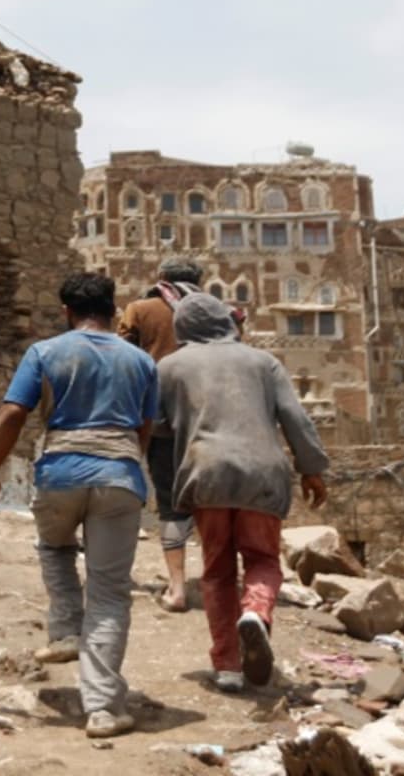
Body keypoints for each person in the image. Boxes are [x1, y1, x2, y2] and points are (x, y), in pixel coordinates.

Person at [0, 272, 160, 739]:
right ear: (114, 311)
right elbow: (145, 426)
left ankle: (65, 631)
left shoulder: (45, 351)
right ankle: (102, 709)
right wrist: (125, 461)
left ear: (66, 312)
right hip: (120, 475)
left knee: (54, 547)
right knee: (110, 592)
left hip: (59, 471)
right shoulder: (141, 361)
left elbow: (13, 412)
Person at [158, 292, 328, 693]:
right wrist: (312, 469)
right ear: (227, 321)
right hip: (262, 473)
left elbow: (156, 425)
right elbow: (294, 418)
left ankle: (228, 666)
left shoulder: (168, 367)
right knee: (263, 559)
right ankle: (255, 613)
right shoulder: (262, 362)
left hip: (206, 473)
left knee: (216, 571)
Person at [117, 258, 203, 613]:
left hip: (160, 419)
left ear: (162, 279)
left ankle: (178, 588)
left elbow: (124, 358)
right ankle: (219, 582)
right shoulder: (213, 312)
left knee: (169, 501)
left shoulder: (140, 309)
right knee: (210, 502)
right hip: (207, 419)